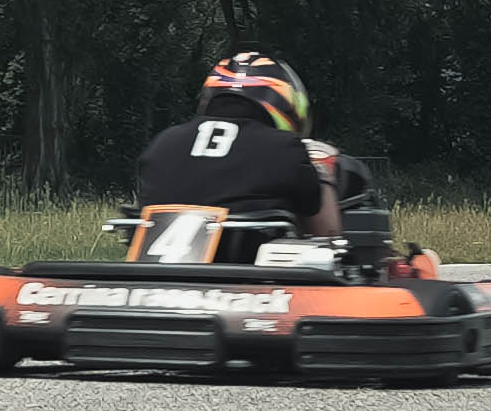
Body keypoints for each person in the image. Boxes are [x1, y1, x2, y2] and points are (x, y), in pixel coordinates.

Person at [126, 49, 360, 263]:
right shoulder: (285, 148)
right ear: (285, 102)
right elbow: (327, 237)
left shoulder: (162, 143)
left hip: (155, 280)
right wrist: (322, 171)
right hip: (250, 283)